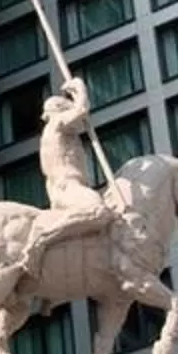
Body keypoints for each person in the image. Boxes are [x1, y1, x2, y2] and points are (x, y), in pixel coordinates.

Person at [18, 76, 116, 276]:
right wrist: (80, 88)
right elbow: (81, 112)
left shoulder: (54, 132)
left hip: (60, 189)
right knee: (99, 212)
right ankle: (42, 239)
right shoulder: (57, 124)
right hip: (68, 186)